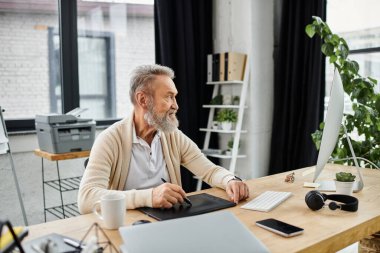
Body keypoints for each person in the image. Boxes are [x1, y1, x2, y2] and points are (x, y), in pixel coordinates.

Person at [78, 64, 249, 214]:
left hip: (168, 220)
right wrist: (149, 197)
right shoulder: (109, 140)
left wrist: (230, 180)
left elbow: (209, 171)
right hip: (127, 226)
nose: (176, 105)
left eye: (175, 97)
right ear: (143, 100)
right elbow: (86, 198)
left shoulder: (172, 136)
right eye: (168, 96)